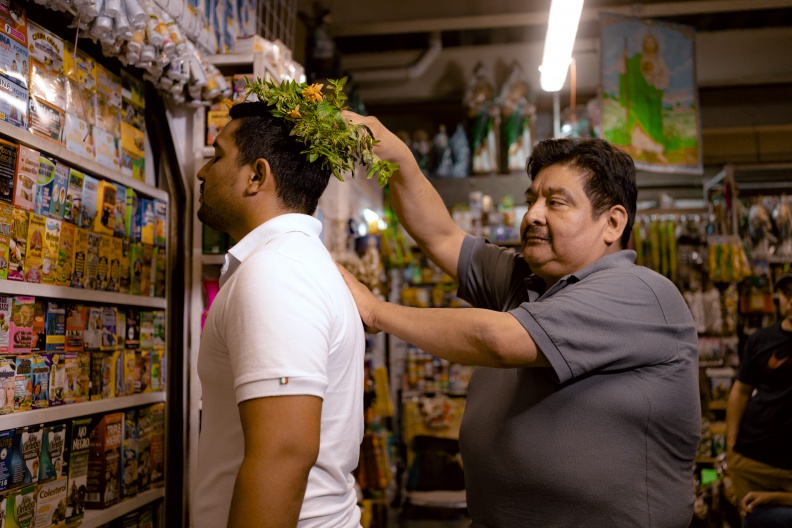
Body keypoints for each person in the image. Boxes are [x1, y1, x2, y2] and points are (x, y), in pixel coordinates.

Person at [336, 113, 701, 527]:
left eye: (556, 202)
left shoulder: (639, 293)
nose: (532, 216)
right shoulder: (528, 281)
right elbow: (439, 235)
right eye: (532, 200)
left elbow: (499, 340)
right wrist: (398, 155)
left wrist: (376, 311)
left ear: (613, 223)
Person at [192, 100, 365, 527]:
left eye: (217, 156)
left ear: (257, 176)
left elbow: (284, 452)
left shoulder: (276, 273)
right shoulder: (289, 263)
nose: (201, 173)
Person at [726, 273, 792, 518]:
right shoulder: (759, 341)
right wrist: (731, 447)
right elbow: (740, 391)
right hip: (753, 460)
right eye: (787, 293)